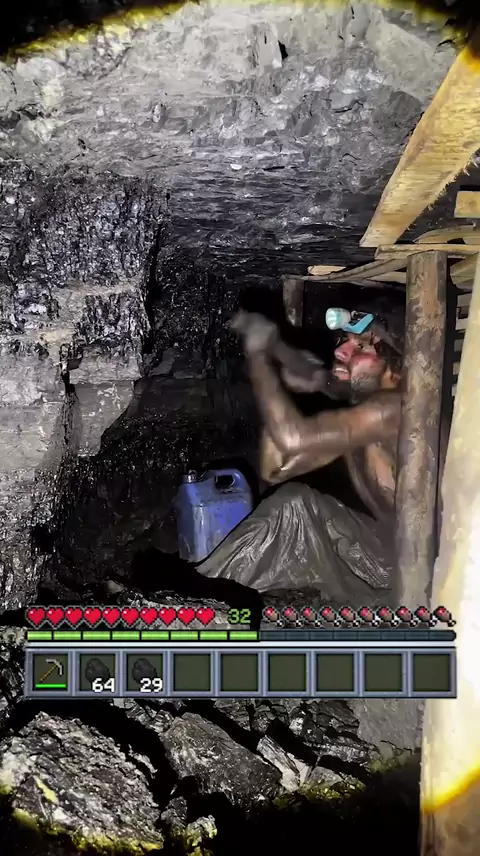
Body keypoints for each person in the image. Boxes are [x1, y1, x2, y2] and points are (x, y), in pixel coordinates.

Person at [196, 296, 406, 605]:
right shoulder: (366, 415)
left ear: (396, 369)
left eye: (361, 346)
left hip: (421, 567)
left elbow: (293, 440)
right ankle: (199, 595)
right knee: (294, 503)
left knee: (296, 505)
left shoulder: (394, 410)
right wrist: (287, 390)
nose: (340, 352)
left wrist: (259, 356)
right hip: (384, 552)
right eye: (344, 341)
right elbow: (276, 468)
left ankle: (200, 601)